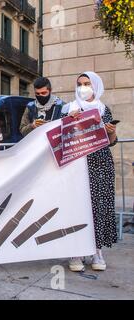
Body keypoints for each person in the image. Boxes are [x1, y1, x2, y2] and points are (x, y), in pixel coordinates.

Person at [62, 72, 118, 272]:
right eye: (79, 84)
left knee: (99, 207)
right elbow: (60, 138)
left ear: (95, 86)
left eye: (87, 84)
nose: (83, 87)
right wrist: (69, 120)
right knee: (76, 206)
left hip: (100, 164)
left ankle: (96, 250)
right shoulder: (69, 109)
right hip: (76, 166)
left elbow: (110, 142)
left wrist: (111, 131)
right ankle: (76, 252)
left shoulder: (104, 110)